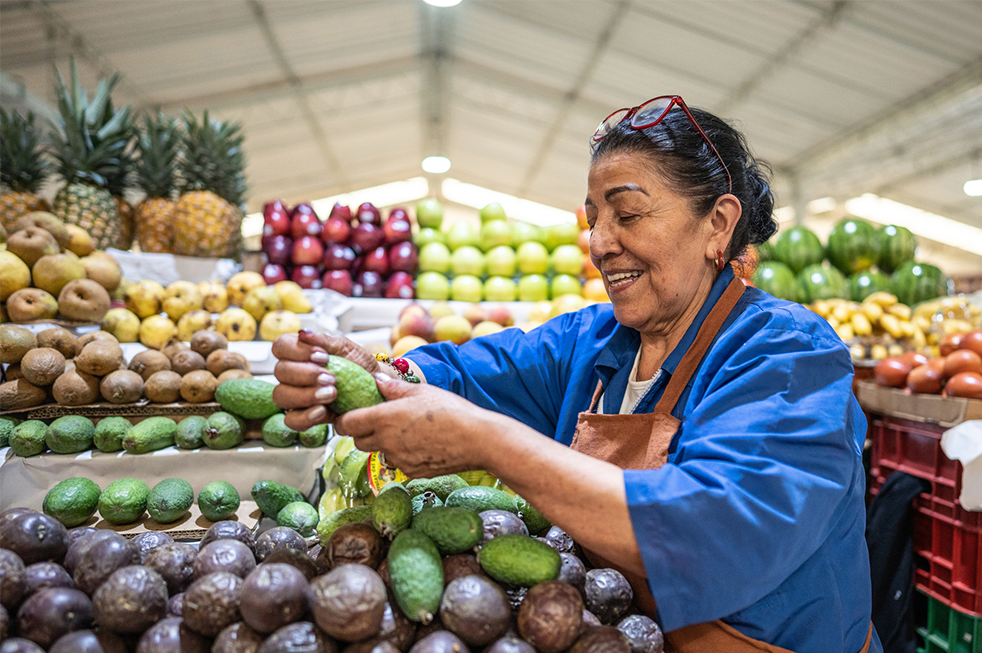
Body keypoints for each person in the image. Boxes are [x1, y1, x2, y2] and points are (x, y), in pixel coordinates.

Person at [272, 95, 879, 653]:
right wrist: (366, 374)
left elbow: (714, 529)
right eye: (593, 218)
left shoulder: (786, 354)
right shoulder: (594, 341)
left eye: (629, 214)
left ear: (718, 223)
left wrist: (489, 443)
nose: (599, 242)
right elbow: (460, 371)